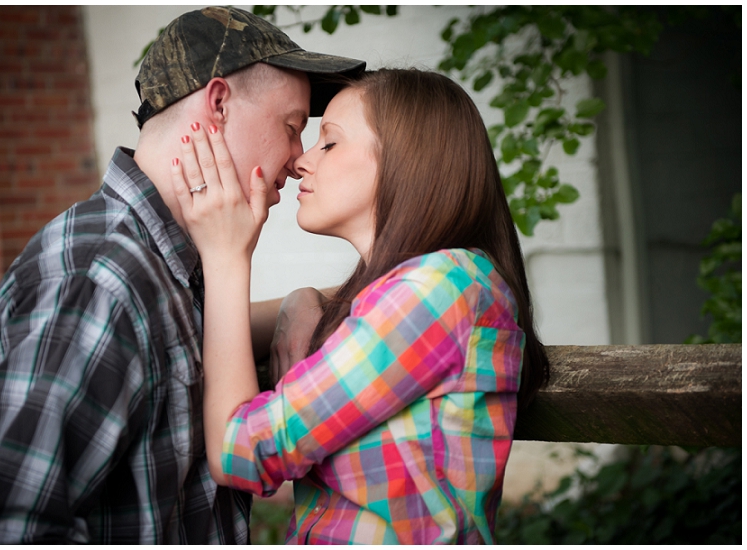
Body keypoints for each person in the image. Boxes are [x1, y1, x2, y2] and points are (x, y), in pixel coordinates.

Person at [0, 7, 364, 544]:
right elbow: (12, 527)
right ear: (217, 104)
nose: (297, 157)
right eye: (291, 128)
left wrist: (304, 301)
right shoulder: (95, 279)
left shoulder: (156, 259)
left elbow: (184, 347)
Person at [170, 68, 550, 544]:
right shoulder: (418, 290)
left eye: (328, 142)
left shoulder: (439, 288)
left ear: (407, 161)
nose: (302, 161)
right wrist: (299, 302)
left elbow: (240, 452)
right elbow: (205, 333)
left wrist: (226, 258)